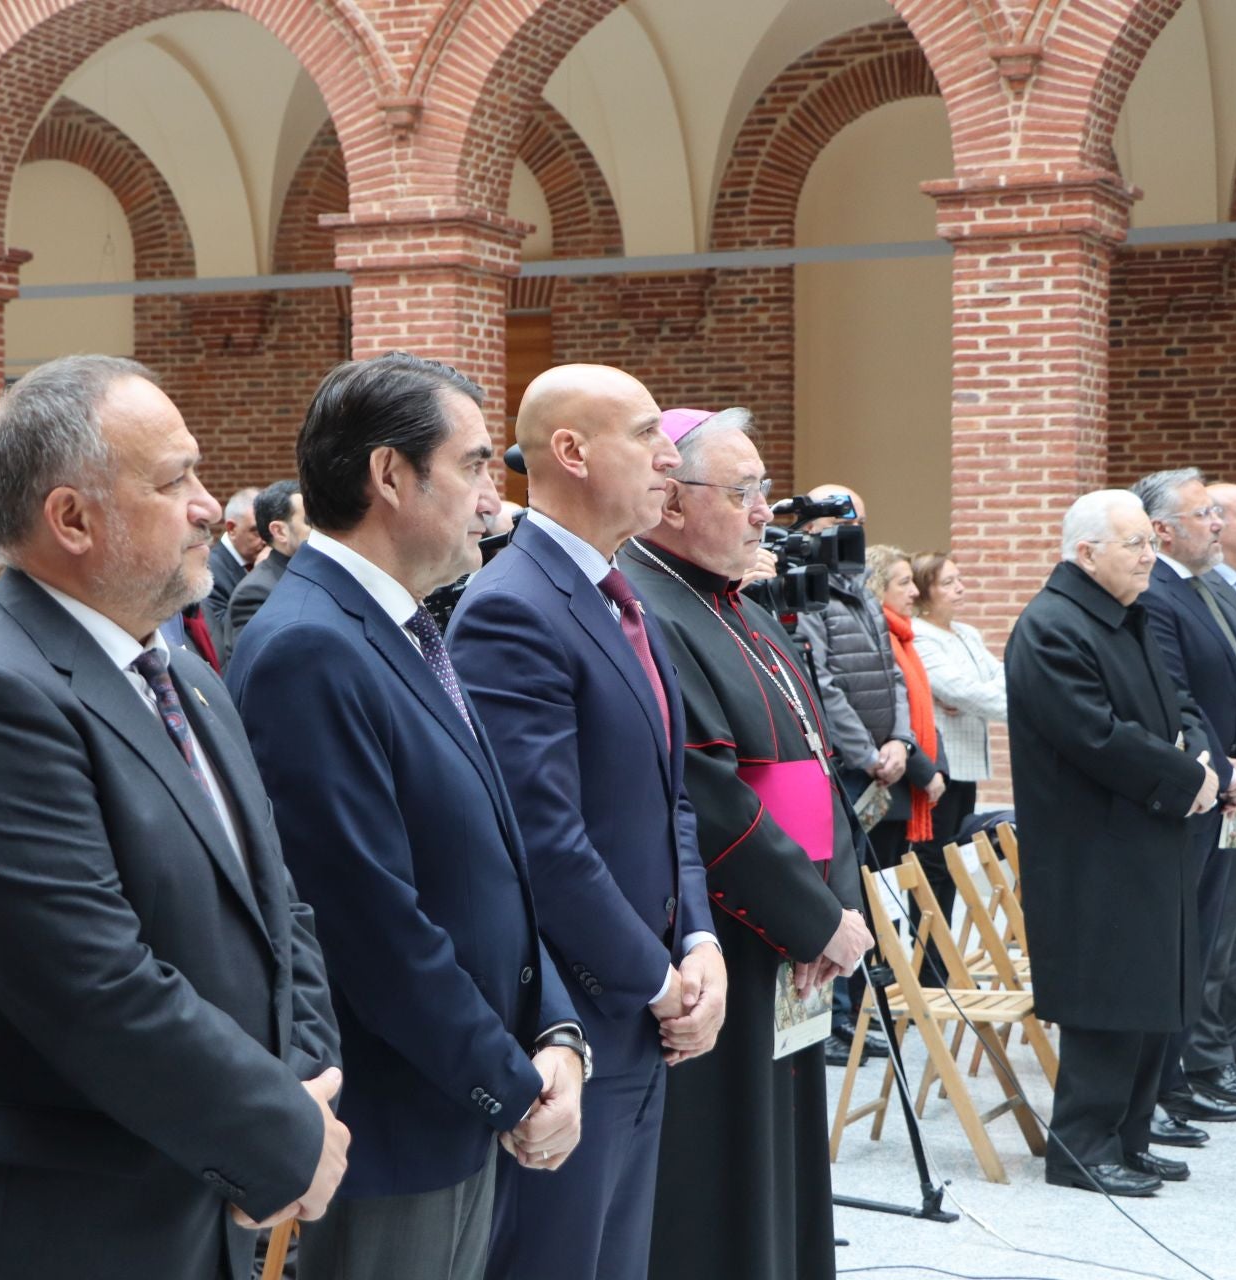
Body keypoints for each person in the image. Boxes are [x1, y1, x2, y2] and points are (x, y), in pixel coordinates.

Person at [0, 356, 346, 1279]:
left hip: (197, 1190)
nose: (206, 505)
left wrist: (308, 1083)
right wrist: (279, 1136)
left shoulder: (182, 675)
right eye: (174, 481)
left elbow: (277, 905)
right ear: (71, 519)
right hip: (55, 1227)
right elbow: (91, 982)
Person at [229, 353, 585, 1280]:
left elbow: (495, 863)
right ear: (390, 475)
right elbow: (368, 921)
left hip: (460, 1097)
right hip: (397, 1121)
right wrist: (510, 1085)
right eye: (472, 466)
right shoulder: (309, 645)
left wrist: (554, 1031)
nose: (493, 499)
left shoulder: (403, 623)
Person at [447, 366, 723, 1280]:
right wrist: (655, 980)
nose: (670, 455)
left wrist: (701, 941)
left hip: (643, 1003)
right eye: (646, 434)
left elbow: (668, 795)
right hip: (574, 1014)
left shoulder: (613, 593)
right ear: (570, 451)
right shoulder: (513, 608)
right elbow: (543, 840)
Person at [619, 407, 868, 1280]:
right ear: (674, 502)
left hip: (793, 936)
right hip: (723, 937)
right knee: (726, 1171)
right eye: (745, 489)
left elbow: (819, 766)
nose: (767, 509)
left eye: (765, 488)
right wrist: (811, 919)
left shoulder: (743, 608)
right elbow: (707, 796)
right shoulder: (646, 606)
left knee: (785, 1152)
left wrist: (833, 912)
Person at [1007, 488, 1214, 1197]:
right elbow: (1094, 735)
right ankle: (1081, 1148)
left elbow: (1179, 703)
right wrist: (1187, 776)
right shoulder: (1051, 627)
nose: (1150, 557)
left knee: (1154, 990)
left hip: (1148, 833)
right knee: (1109, 997)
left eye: (1151, 543)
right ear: (1087, 552)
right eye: (1136, 545)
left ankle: (1130, 1134)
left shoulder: (1128, 616)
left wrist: (1205, 760)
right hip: (1091, 847)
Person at [1130, 469, 1236, 1128]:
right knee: (1189, 944)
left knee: (1214, 936)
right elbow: (1178, 699)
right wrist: (1223, 769)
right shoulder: (1158, 596)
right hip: (1197, 788)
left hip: (1228, 782)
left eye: (1218, 512)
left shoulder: (1208, 592)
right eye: (1204, 513)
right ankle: (1174, 1073)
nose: (1216, 524)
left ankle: (1178, 1074)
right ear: (1162, 530)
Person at [794, 485, 928, 1061]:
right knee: (839, 892)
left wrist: (900, 740)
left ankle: (858, 1009)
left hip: (881, 766)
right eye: (841, 523)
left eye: (861, 522)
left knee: (870, 894)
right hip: (847, 770)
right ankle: (837, 1016)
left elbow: (892, 677)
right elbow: (822, 686)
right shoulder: (810, 593)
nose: (853, 533)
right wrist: (866, 753)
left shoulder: (864, 596)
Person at [1193, 480, 1236, 1091]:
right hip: (1225, 778)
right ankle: (1211, 1049)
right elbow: (1216, 691)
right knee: (1220, 923)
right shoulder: (1202, 590)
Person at [865, 545, 949, 952]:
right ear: (877, 588)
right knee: (879, 904)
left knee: (892, 901)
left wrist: (936, 769)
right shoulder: (879, 635)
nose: (914, 592)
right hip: (890, 787)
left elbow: (924, 714)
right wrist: (924, 771)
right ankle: (878, 1003)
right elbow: (886, 717)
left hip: (910, 784)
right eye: (903, 583)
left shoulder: (904, 636)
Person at [909, 551, 1006, 857]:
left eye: (959, 579)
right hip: (943, 763)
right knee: (937, 858)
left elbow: (1004, 675)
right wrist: (971, 696)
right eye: (948, 583)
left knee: (960, 854)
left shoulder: (968, 633)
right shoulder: (919, 636)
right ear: (925, 592)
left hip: (970, 762)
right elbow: (963, 691)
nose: (960, 588)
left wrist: (971, 696)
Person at [222, 479, 309, 654]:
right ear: (280, 531)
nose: (321, 528)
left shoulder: (316, 574)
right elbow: (259, 665)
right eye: (309, 521)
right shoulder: (256, 592)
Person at [205, 485, 262, 638]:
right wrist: (260, 575)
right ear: (231, 529)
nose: (264, 540)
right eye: (256, 531)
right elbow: (223, 631)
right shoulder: (210, 570)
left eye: (266, 530)